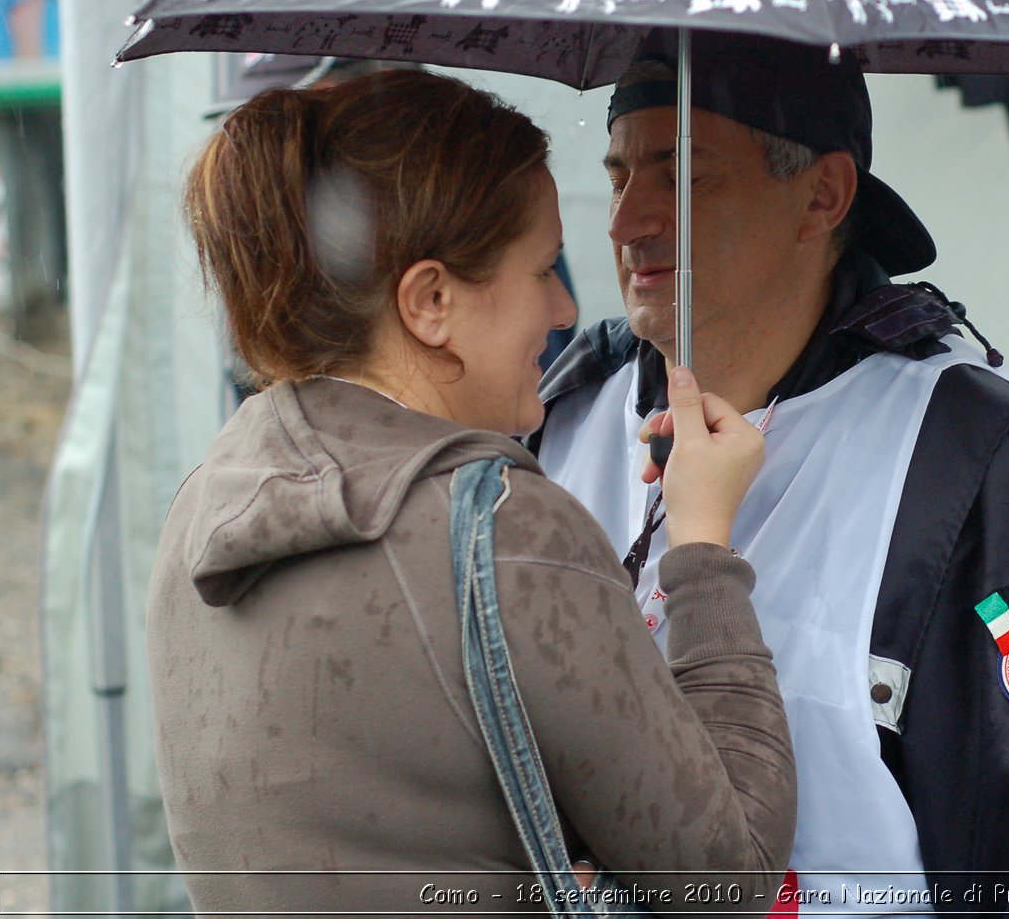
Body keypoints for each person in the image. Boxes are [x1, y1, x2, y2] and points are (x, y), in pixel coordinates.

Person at [146, 70, 796, 913]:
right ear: (432, 302)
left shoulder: (204, 505)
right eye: (538, 271)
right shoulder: (499, 524)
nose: (565, 308)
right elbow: (725, 874)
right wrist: (703, 547)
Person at [532, 29, 1009, 912]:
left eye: (684, 175)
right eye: (620, 175)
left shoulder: (968, 460)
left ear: (823, 196)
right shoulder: (562, 416)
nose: (626, 222)